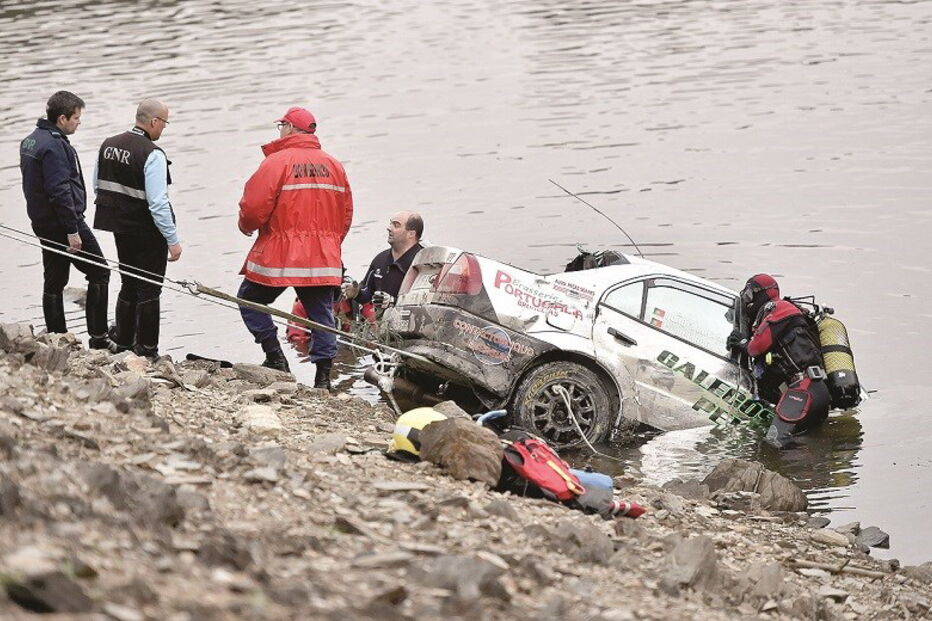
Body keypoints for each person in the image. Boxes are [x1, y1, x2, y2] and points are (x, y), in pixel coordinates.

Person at [237, 106, 353, 389]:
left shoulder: (277, 162)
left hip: (281, 253)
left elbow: (254, 206)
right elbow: (346, 213)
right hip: (322, 255)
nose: (280, 131)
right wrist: (332, 244)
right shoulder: (335, 166)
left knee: (249, 299)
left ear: (289, 128)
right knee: (322, 316)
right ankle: (323, 379)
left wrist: (246, 225)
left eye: (281, 126)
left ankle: (275, 356)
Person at [19, 91, 112, 349]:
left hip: (42, 222)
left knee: (54, 280)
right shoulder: (54, 146)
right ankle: (99, 338)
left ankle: (57, 337)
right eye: (76, 118)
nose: (79, 122)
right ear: (62, 118)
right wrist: (72, 230)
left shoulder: (31, 140)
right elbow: (58, 190)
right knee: (100, 272)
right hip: (64, 222)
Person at [94, 98, 182, 359]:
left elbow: (98, 185)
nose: (164, 128)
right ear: (154, 121)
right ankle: (147, 349)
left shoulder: (108, 144)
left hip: (119, 227)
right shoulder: (152, 154)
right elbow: (158, 203)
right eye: (164, 123)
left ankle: (123, 342)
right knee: (150, 288)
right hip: (147, 230)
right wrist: (172, 239)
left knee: (128, 282)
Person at [728, 274, 830, 447]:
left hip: (803, 390)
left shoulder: (779, 307)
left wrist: (743, 342)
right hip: (812, 390)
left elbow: (756, 347)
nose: (747, 301)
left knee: (775, 443)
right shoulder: (778, 312)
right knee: (807, 447)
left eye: (749, 295)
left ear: (762, 293)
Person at [342, 211, 424, 310]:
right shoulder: (380, 259)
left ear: (411, 234)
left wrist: (393, 301)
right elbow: (368, 293)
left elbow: (425, 302)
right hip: (384, 319)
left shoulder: (424, 263)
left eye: (396, 225)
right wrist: (356, 293)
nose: (389, 228)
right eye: (390, 223)